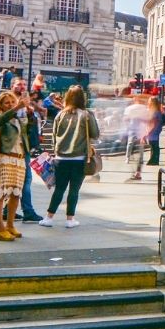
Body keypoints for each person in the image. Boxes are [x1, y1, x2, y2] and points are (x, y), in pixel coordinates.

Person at [42, 86, 100, 228]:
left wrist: (56, 151)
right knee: (74, 190)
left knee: (59, 189)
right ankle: (70, 219)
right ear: (83, 98)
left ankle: (49, 218)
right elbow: (95, 134)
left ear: (67, 97)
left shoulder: (60, 115)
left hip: (60, 158)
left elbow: (54, 136)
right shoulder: (86, 115)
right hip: (79, 159)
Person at [0, 92, 27, 240]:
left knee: (16, 194)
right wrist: (17, 108)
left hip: (19, 159)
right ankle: (0, 228)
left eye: (12, 101)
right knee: (1, 193)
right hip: (5, 158)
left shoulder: (18, 118)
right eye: (7, 103)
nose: (10, 104)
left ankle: (10, 225)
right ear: (0, 105)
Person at [123, 95, 152, 181]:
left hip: (132, 130)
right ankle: (138, 172)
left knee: (130, 145)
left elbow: (125, 119)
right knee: (140, 151)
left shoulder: (129, 108)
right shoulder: (144, 108)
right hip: (141, 132)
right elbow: (148, 120)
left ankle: (128, 159)